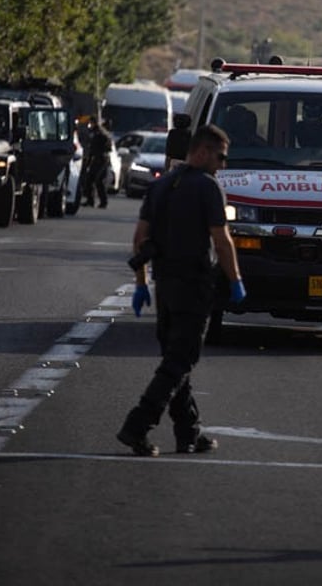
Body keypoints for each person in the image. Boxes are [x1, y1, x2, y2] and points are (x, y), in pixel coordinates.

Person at [118, 124, 245, 457]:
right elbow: (222, 238)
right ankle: (138, 425)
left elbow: (140, 239)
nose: (223, 164)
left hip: (165, 286)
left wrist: (141, 284)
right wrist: (235, 280)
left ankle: (189, 431)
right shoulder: (208, 187)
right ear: (201, 152)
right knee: (180, 360)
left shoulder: (161, 186)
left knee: (176, 359)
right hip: (194, 285)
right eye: (220, 157)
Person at [82, 117, 112, 208]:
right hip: (95, 159)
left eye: (91, 123)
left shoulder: (101, 133)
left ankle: (104, 202)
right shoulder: (94, 132)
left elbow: (106, 147)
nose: (89, 125)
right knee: (89, 180)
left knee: (99, 180)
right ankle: (90, 200)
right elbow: (91, 148)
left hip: (102, 159)